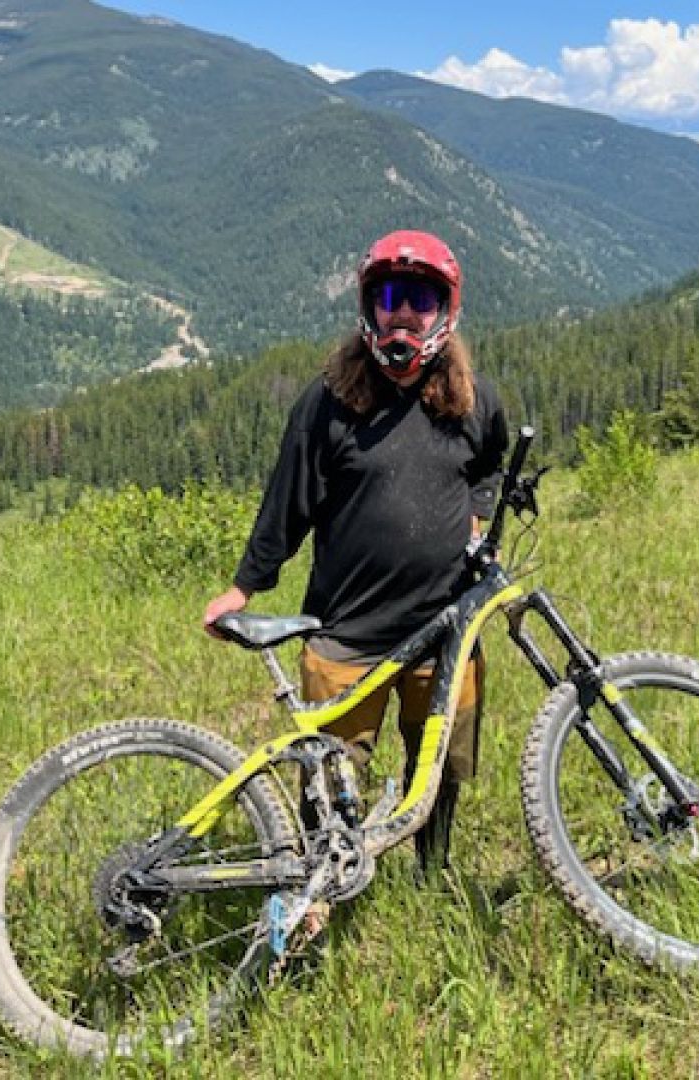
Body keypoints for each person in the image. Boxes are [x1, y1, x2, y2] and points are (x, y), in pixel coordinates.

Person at [203, 229, 509, 873]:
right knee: (331, 781)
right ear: (369, 307)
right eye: (389, 295)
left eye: (420, 298)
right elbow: (286, 503)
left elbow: (491, 462)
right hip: (346, 634)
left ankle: (433, 872)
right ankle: (324, 890)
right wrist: (243, 588)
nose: (403, 311)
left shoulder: (474, 400)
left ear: (445, 311)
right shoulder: (328, 403)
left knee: (441, 768)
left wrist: (479, 513)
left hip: (445, 631)